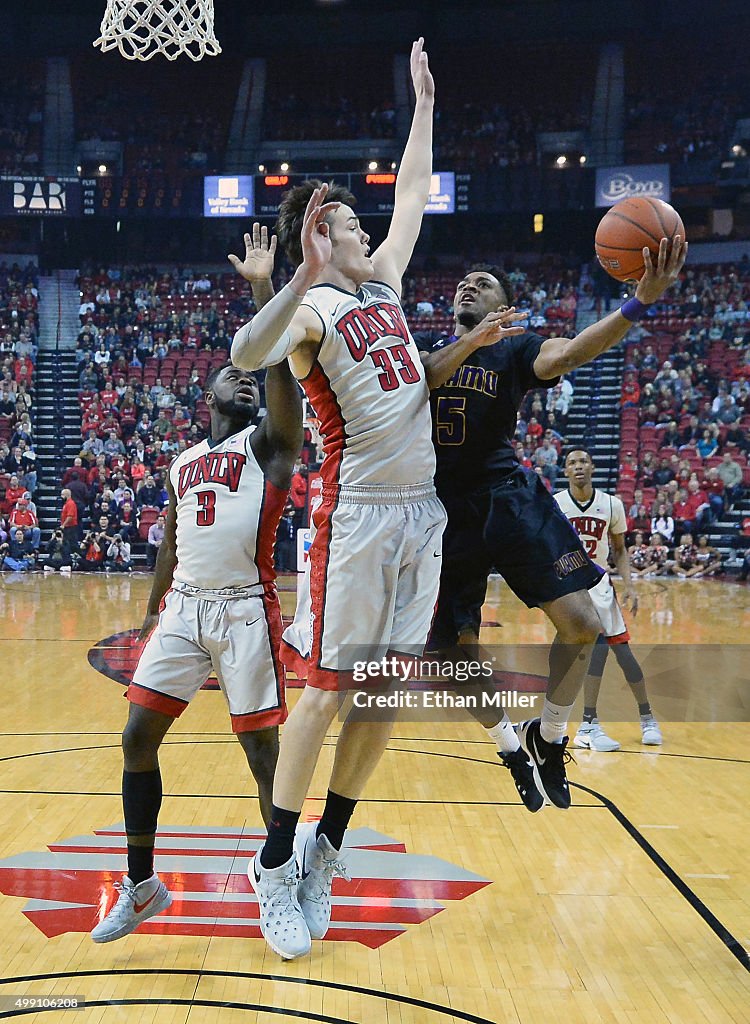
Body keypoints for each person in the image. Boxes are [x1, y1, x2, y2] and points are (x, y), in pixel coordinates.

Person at [229, 41, 477, 961]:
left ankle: (328, 848)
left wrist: (422, 107)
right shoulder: (310, 312)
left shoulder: (386, 286)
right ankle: (273, 864)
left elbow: (412, 193)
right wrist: (290, 277)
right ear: (316, 240)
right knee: (325, 698)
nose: (364, 225)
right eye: (343, 221)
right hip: (360, 518)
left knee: (382, 695)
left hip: (422, 518)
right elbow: (245, 358)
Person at [414, 237, 684, 811]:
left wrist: (638, 302)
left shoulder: (516, 351)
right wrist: (469, 339)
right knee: (454, 656)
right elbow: (424, 381)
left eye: (485, 283)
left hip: (509, 498)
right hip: (439, 513)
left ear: (506, 308)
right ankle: (510, 746)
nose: (469, 283)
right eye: (466, 282)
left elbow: (568, 354)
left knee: (583, 624)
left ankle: (551, 735)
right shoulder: (424, 349)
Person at [91, 228, 301, 944]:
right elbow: (171, 543)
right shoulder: (184, 461)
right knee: (136, 737)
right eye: (230, 373)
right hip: (184, 608)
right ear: (204, 392)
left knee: (261, 754)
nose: (241, 380)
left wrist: (261, 292)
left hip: (245, 610)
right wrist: (151, 612)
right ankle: (143, 884)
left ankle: (278, 881)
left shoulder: (269, 446)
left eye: (250, 376)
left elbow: (278, 378)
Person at [556, 449, 662, 750]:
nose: (578, 467)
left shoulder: (611, 504)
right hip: (571, 590)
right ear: (565, 471)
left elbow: (619, 549)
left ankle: (647, 718)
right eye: (572, 463)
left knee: (625, 657)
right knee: (595, 651)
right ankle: (588, 725)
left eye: (582, 462)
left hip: (601, 585)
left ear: (592, 467)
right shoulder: (556, 504)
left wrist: (629, 585)